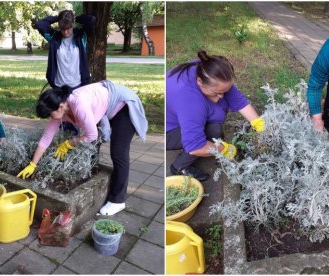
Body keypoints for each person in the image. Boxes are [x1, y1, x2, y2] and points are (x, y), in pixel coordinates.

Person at [16, 81, 148, 216]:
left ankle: (117, 201)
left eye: (50, 115)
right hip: (108, 107)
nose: (51, 118)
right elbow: (46, 138)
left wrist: (69, 143)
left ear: (61, 106)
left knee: (119, 152)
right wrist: (33, 164)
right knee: (90, 144)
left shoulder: (78, 104)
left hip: (124, 106)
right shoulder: (59, 110)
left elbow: (92, 135)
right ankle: (92, 173)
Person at [166, 50, 265, 181]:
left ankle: (203, 137)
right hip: (168, 130)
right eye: (217, 93)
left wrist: (260, 126)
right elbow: (196, 146)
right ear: (200, 81)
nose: (222, 96)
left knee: (214, 128)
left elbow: (240, 102)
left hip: (183, 114)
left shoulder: (208, 69)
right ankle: (179, 167)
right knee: (213, 131)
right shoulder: (190, 100)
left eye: (225, 91)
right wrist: (224, 149)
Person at [35, 10, 96, 90]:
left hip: (78, 86)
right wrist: (58, 18)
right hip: (58, 86)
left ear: (72, 25)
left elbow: (91, 20)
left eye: (68, 28)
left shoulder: (80, 36)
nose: (65, 32)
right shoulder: (54, 37)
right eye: (62, 29)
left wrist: (74, 18)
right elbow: (40, 24)